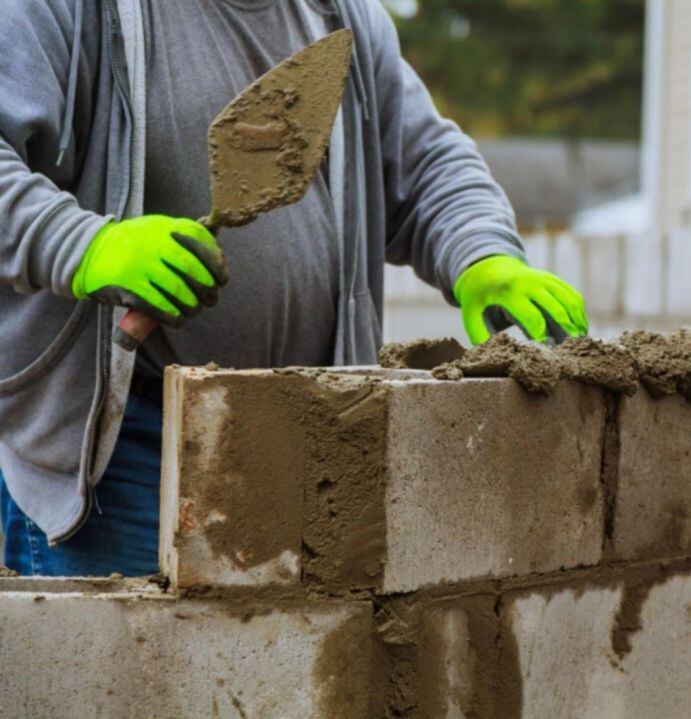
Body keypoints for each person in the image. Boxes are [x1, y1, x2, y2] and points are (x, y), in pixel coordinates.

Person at [0, 0, 589, 577]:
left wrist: (483, 256)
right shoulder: (68, 10)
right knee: (140, 673)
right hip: (124, 453)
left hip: (308, 445)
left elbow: (427, 163)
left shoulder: (338, 16)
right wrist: (84, 247)